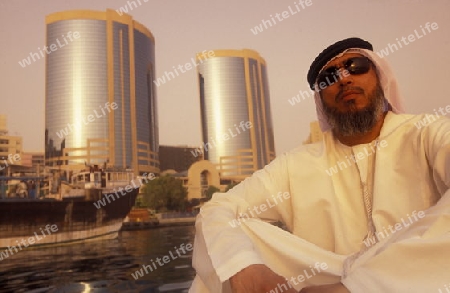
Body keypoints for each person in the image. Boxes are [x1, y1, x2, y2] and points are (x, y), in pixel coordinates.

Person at [188, 37, 450, 293]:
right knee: (229, 247)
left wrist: (357, 286)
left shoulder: (426, 133)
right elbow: (217, 209)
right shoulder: (297, 163)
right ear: (321, 99)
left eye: (356, 66)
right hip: (322, 279)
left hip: (419, 275)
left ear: (380, 76)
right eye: (328, 78)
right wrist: (244, 268)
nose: (344, 79)